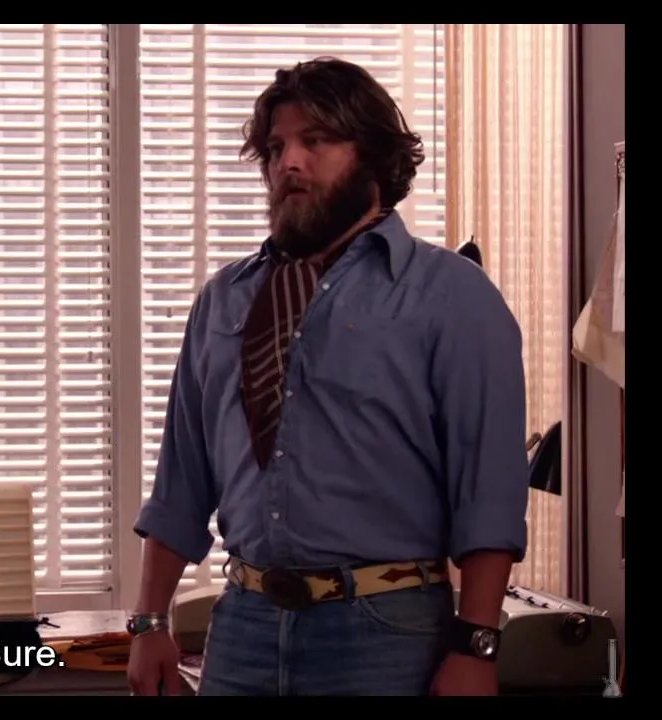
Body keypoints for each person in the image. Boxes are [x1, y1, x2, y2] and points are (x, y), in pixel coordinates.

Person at [125, 57, 530, 697]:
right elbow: (182, 477)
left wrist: (477, 646)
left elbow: (489, 490)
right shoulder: (224, 300)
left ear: (371, 156)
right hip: (244, 629)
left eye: (314, 141)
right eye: (276, 147)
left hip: (386, 635)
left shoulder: (450, 295)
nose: (288, 162)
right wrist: (149, 621)